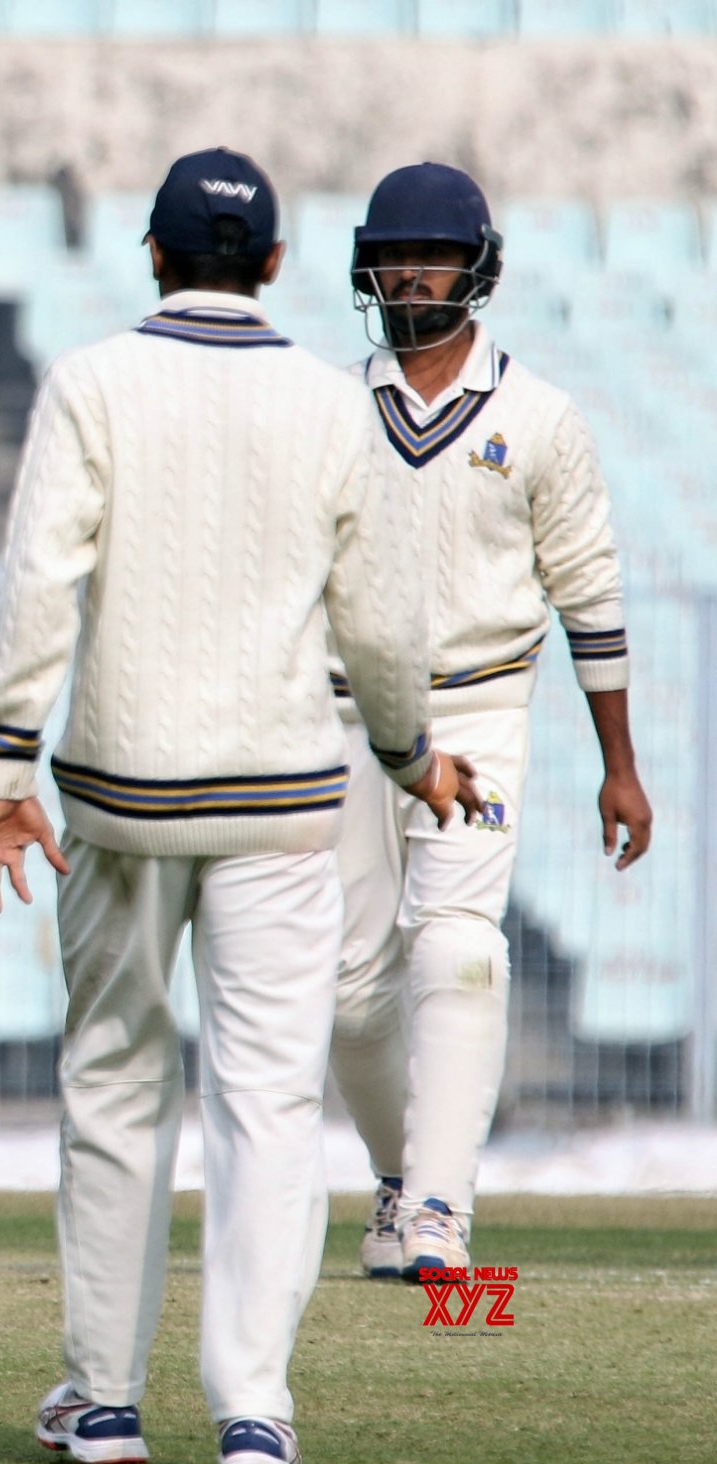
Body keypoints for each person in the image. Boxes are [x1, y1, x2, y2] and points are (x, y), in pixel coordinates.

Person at [0, 148, 469, 1464]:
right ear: (280, 265)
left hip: (120, 803)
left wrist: (8, 773)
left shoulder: (91, 381)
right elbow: (383, 619)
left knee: (115, 1092)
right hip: (284, 805)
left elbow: (37, 586)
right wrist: (409, 753)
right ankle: (253, 1410)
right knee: (267, 1107)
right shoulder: (326, 401)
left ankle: (102, 1402)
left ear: (154, 253)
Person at [331, 163, 651, 1280]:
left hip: (481, 707)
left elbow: (590, 596)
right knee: (347, 987)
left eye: (431, 256)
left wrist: (619, 765)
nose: (408, 275)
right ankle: (392, 1175)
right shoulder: (330, 409)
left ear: (477, 270)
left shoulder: (541, 419)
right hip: (345, 716)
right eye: (391, 254)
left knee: (458, 948)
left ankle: (436, 1207)